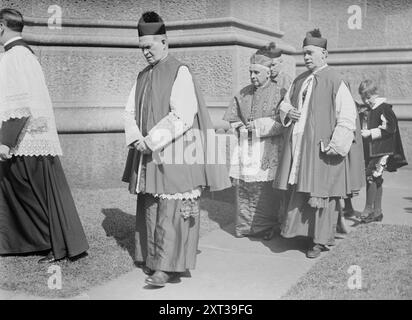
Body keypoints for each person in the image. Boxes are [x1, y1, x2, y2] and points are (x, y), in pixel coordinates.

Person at [122, 11, 231, 287]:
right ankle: (154, 259)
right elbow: (128, 111)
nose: (145, 52)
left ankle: (167, 267)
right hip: (148, 152)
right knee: (152, 206)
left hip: (175, 151)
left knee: (172, 210)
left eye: (150, 46)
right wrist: (136, 137)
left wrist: (151, 140)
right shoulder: (142, 75)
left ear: (164, 42)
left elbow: (182, 115)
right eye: (142, 48)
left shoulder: (179, 70)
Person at [0, 8, 89, 263]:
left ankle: (57, 245)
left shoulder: (12, 58)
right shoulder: (26, 55)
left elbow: (19, 105)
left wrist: (5, 142)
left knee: (32, 196)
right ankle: (48, 242)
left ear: (1, 27)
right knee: (37, 194)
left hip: (25, 139)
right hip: (36, 137)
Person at [273, 29, 365, 258]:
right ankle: (302, 233)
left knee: (322, 194)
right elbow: (283, 105)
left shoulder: (336, 81)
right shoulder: (299, 80)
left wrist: (335, 146)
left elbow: (347, 116)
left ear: (324, 54)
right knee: (301, 190)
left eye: (310, 53)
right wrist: (289, 112)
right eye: (304, 54)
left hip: (323, 149)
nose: (306, 58)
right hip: (300, 146)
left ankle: (321, 240)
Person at [223, 44, 291, 239]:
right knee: (244, 187)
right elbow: (233, 118)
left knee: (265, 191)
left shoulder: (280, 92)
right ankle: (244, 227)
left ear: (268, 73)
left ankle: (265, 227)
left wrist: (259, 126)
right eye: (250, 72)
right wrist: (240, 128)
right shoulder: (243, 93)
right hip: (246, 146)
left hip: (267, 148)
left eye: (256, 72)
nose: (252, 76)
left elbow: (283, 122)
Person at [358, 79, 407, 223]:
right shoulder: (369, 108)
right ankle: (377, 211)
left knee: (372, 176)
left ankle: (368, 208)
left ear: (375, 94)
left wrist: (371, 133)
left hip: (382, 150)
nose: (366, 100)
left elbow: (390, 128)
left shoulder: (384, 108)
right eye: (363, 98)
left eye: (368, 97)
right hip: (372, 150)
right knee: (376, 178)